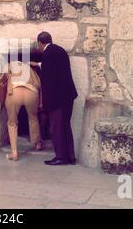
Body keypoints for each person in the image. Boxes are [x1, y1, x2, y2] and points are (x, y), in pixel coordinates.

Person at [30, 32, 78, 166]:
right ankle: (70, 156)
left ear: (40, 43)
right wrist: (39, 64)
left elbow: (48, 80)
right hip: (68, 96)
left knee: (56, 129)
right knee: (65, 127)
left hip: (57, 99)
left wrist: (44, 103)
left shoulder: (47, 54)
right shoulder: (59, 50)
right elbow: (55, 68)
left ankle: (61, 157)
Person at [2, 60, 43, 161]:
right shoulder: (31, 69)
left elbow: (2, 79)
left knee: (12, 122)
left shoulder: (9, 65)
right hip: (32, 92)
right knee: (33, 117)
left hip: (15, 92)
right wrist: (41, 102)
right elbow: (39, 85)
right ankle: (37, 143)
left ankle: (14, 153)